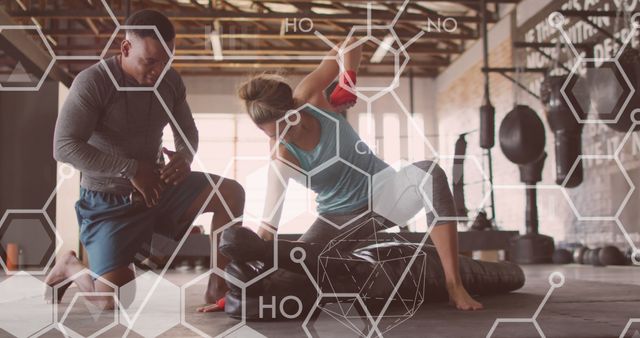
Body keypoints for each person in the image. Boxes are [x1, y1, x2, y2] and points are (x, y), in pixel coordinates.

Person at [229, 37, 483, 311]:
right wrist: (238, 292)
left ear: (293, 107)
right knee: (285, 281)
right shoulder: (282, 155)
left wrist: (347, 79)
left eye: (284, 127)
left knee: (429, 173)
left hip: (386, 194)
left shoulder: (311, 96)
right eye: (272, 134)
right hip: (339, 222)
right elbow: (268, 229)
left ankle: (454, 285)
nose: (280, 137)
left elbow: (350, 42)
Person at [46, 9, 240, 312]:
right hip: (107, 201)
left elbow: (187, 130)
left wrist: (185, 157)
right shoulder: (93, 82)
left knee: (230, 193)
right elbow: (63, 147)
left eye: (167, 61)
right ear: (126, 49)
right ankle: (70, 266)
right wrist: (131, 168)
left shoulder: (170, 82)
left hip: (157, 189)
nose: (159, 70)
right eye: (150, 61)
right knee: (109, 302)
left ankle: (219, 283)